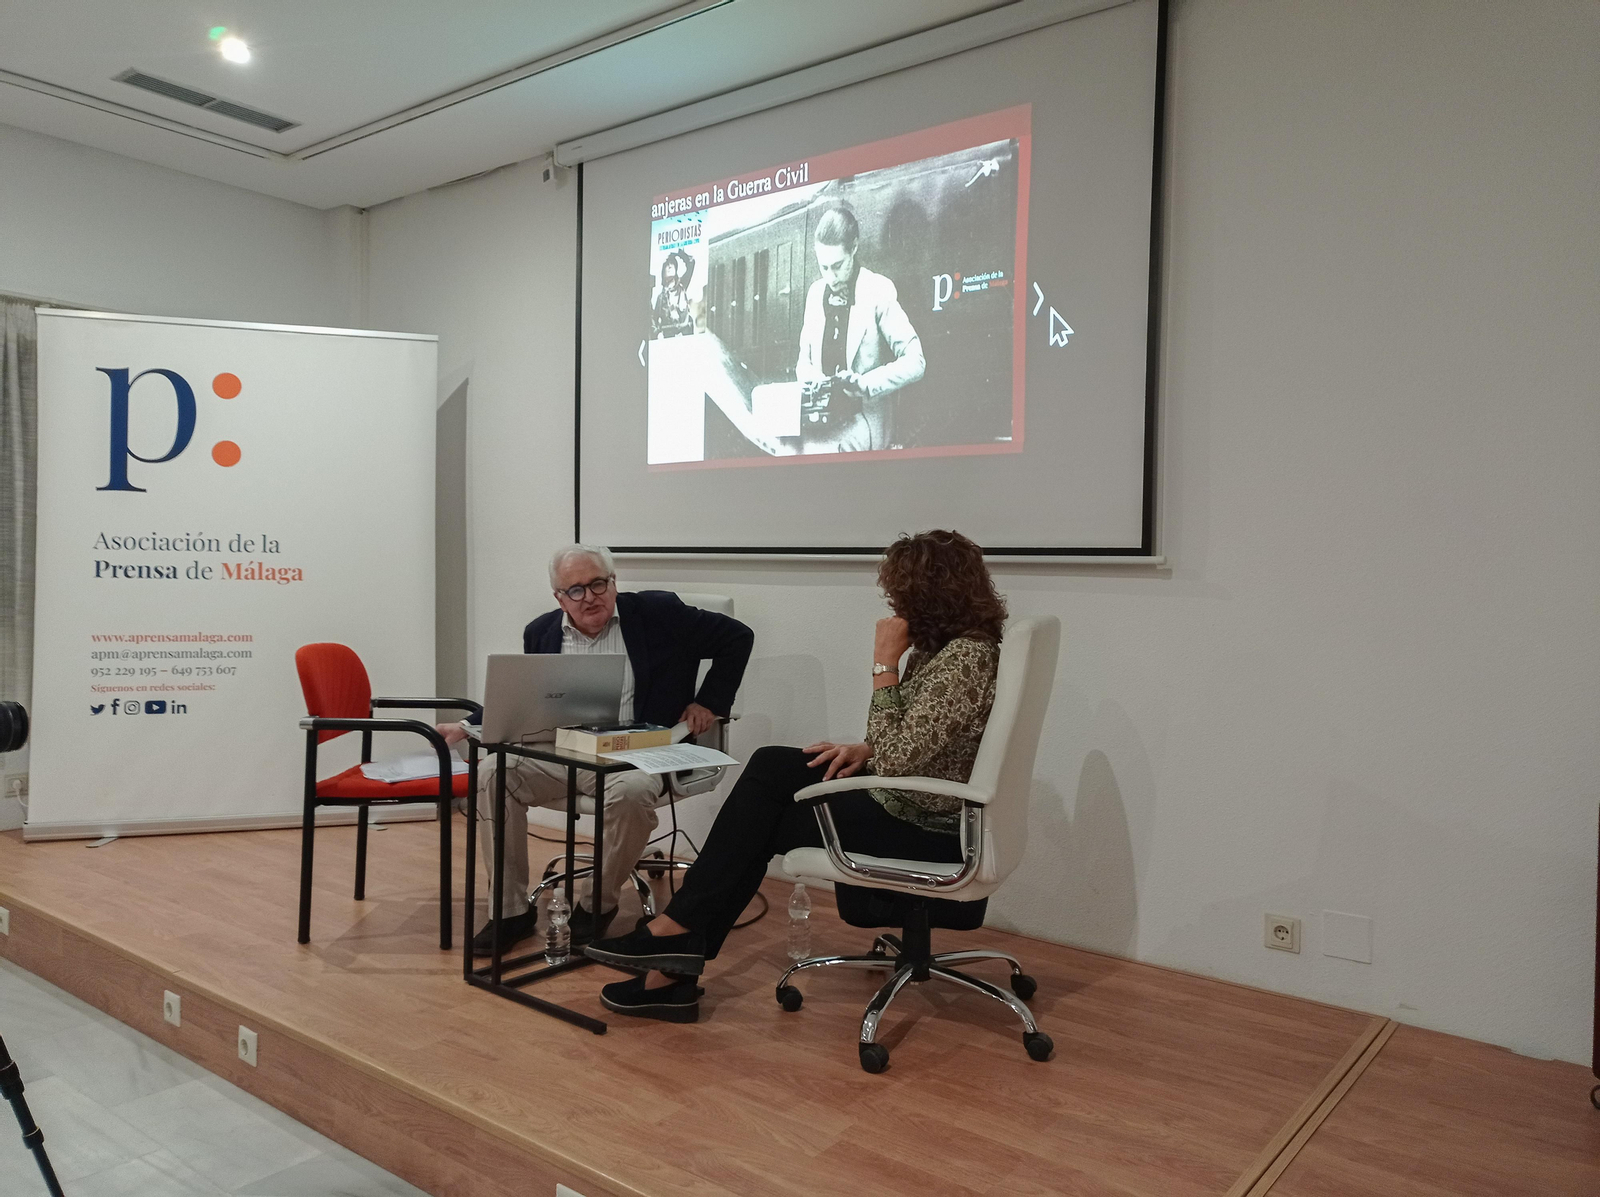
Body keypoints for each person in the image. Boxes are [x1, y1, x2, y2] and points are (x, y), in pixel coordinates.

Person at [585, 529, 1004, 1022]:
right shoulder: (945, 651)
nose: (893, 605)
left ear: (931, 595)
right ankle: (674, 958)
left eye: (902, 594)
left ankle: (673, 956)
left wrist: (884, 663)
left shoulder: (966, 657)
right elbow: (911, 741)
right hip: (908, 799)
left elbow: (897, 760)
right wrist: (862, 747)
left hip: (923, 822)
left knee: (763, 819)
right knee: (772, 770)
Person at [442, 544, 753, 955]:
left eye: (597, 584)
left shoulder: (660, 614)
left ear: (614, 583)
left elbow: (738, 637)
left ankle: (595, 906)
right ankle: (511, 912)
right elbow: (527, 698)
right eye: (575, 590)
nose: (589, 597)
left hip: (638, 756)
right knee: (491, 775)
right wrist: (468, 724)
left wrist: (710, 701)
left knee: (631, 793)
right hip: (565, 754)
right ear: (558, 598)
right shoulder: (542, 632)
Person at [794, 203, 925, 452]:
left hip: (864, 419)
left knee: (813, 453)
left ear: (854, 248)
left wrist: (864, 384)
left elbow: (916, 361)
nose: (830, 277)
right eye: (824, 268)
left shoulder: (877, 290)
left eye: (837, 266)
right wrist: (819, 385)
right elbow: (803, 363)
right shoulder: (814, 295)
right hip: (824, 420)